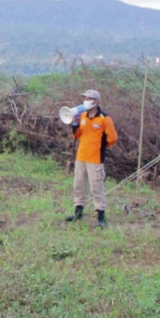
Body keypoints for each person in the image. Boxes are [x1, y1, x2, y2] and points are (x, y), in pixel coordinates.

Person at [64, 89, 118, 228]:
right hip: (81, 156)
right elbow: (76, 136)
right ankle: (78, 211)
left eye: (89, 98)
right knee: (78, 185)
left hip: (95, 158)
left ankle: (100, 215)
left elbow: (112, 138)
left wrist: (100, 146)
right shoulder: (82, 116)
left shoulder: (104, 118)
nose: (86, 100)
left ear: (96, 102)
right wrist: (74, 124)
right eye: (85, 98)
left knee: (96, 187)